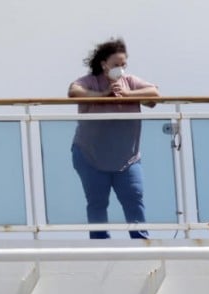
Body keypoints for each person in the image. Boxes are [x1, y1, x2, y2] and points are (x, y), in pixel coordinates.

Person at [68, 38, 160, 239]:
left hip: (127, 158)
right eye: (115, 65)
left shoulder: (130, 82)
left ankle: (141, 242)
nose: (120, 69)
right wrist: (103, 94)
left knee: (134, 197)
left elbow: (154, 94)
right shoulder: (90, 81)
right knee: (97, 201)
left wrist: (127, 94)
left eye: (123, 65)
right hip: (91, 155)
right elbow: (74, 92)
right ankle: (101, 245)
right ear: (104, 64)